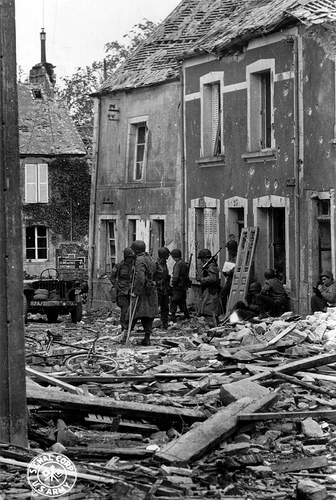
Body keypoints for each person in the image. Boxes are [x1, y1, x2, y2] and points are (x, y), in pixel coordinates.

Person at [127, 240, 159, 346]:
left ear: (135, 250)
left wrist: (136, 292)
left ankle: (125, 336)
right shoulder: (151, 258)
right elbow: (160, 271)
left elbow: (140, 278)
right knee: (148, 315)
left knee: (133, 312)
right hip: (151, 290)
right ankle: (147, 338)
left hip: (142, 292)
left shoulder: (139, 260)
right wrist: (153, 281)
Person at [110, 247, 135, 331]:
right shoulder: (119, 265)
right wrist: (118, 286)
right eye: (129, 258)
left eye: (131, 258)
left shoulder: (135, 265)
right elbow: (112, 277)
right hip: (122, 291)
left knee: (132, 310)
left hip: (132, 290)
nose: (130, 260)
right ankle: (124, 327)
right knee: (125, 310)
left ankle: (130, 327)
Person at [197, 248, 222, 326]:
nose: (201, 261)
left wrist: (202, 279)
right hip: (210, 290)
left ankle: (212, 325)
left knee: (210, 309)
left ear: (205, 258)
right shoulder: (210, 266)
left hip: (212, 291)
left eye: (202, 259)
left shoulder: (211, 266)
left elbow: (213, 278)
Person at [169, 248, 190, 322]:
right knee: (182, 300)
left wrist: (173, 284)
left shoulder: (178, 264)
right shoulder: (183, 263)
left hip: (178, 285)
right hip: (183, 285)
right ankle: (186, 313)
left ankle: (173, 316)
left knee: (174, 300)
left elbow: (176, 276)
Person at [220, 238, 238, 314]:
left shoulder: (238, 256)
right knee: (223, 294)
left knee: (224, 294)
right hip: (230, 279)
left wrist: (229, 272)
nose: (228, 251)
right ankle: (225, 312)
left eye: (229, 249)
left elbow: (237, 267)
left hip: (235, 279)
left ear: (233, 249)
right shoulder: (231, 256)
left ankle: (228, 312)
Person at [155, 247, 171, 329]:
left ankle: (165, 323)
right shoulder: (156, 264)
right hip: (158, 288)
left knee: (165, 306)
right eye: (167, 255)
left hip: (164, 288)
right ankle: (150, 324)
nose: (168, 256)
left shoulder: (164, 264)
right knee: (155, 306)